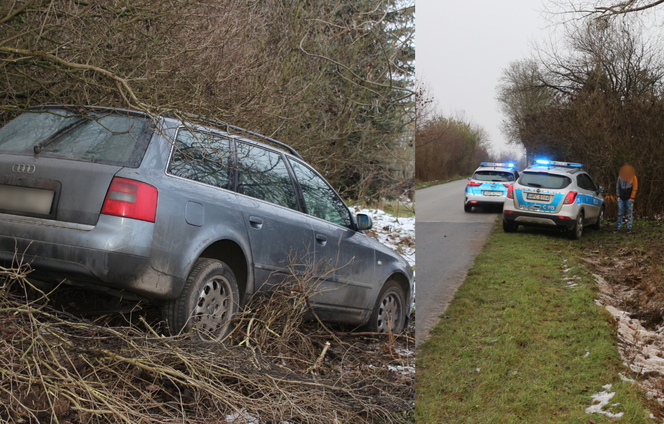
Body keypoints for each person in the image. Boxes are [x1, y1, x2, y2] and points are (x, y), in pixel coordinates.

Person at [615, 164, 637, 233]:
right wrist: (618, 196)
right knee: (620, 213)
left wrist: (632, 197)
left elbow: (635, 188)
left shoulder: (633, 177)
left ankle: (629, 228)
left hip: (629, 199)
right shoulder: (620, 177)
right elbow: (617, 186)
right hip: (621, 198)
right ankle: (618, 228)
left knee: (629, 214)